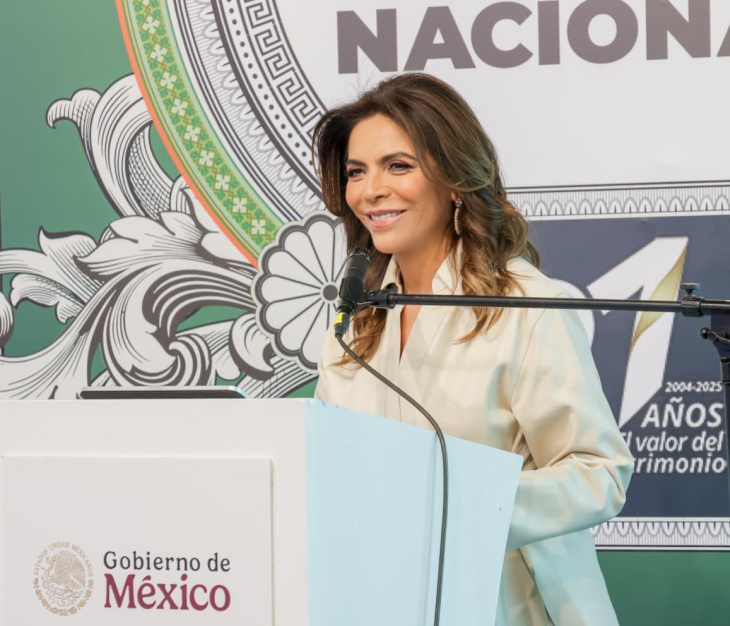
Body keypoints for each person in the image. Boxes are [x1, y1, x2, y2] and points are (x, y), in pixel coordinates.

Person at [312, 72, 633, 626]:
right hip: (376, 599)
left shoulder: (525, 306)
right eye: (356, 172)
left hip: (502, 604)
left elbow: (598, 473)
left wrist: (464, 507)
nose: (370, 191)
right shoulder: (354, 321)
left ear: (455, 179)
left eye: (398, 166)